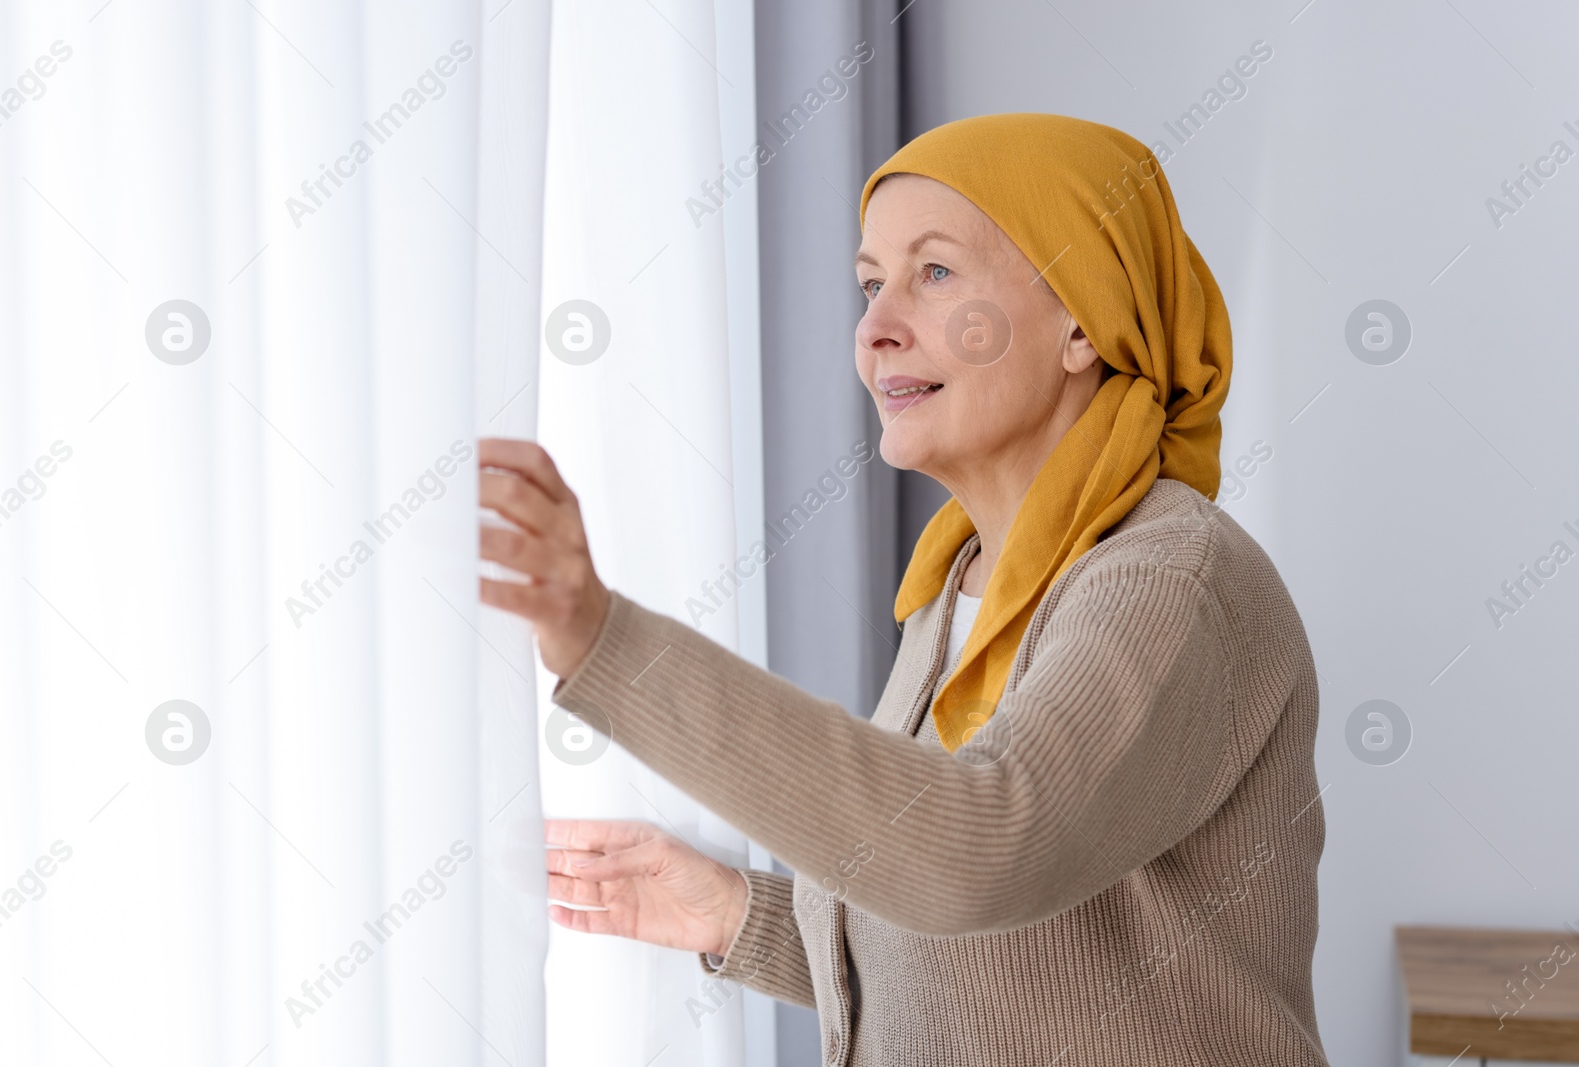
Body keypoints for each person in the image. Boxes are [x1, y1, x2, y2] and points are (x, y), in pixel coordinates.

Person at [478, 113, 1329, 1066]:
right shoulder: (957, 583)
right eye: (871, 282)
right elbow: (1002, 968)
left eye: (935, 273)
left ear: (1085, 319)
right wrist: (738, 912)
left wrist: (607, 643)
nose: (876, 329)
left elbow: (984, 852)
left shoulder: (1166, 581)